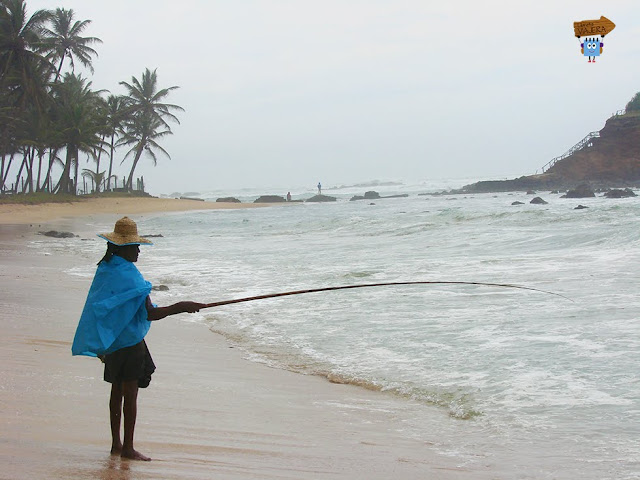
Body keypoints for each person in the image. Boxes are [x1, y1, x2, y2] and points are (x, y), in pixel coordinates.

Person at [72, 217, 205, 461]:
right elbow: (150, 313)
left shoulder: (106, 269)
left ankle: (116, 444)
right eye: (135, 246)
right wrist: (182, 306)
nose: (139, 250)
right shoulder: (130, 276)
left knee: (116, 392)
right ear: (124, 247)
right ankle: (128, 448)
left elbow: (99, 308)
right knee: (130, 394)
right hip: (130, 344)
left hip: (112, 342)